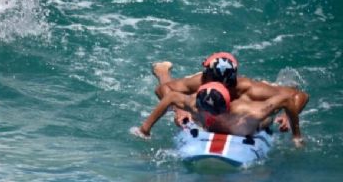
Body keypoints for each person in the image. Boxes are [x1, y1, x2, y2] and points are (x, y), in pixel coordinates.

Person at [151, 53, 308, 132]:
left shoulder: (251, 89)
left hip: (246, 108)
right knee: (176, 97)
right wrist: (178, 111)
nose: (205, 78)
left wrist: (288, 116)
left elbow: (298, 95)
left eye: (207, 75)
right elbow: (164, 89)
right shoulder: (200, 82)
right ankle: (162, 70)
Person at [132, 80, 308, 147]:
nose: (209, 115)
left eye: (214, 112)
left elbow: (286, 99)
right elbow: (170, 96)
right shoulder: (196, 106)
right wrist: (145, 129)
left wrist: (295, 134)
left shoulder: (251, 112)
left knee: (269, 114)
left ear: (226, 108)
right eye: (204, 110)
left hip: (257, 124)